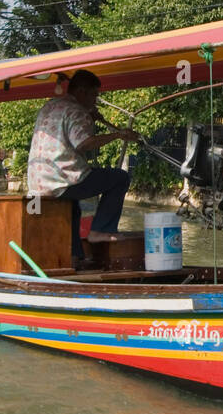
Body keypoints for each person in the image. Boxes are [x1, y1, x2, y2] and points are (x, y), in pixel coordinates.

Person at [26, 69, 139, 267]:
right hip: (62, 179)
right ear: (83, 92)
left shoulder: (50, 105)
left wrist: (91, 118)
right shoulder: (76, 110)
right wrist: (118, 135)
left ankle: (74, 257)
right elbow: (83, 143)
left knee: (72, 206)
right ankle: (101, 231)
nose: (95, 100)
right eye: (94, 95)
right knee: (119, 178)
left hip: (38, 181)